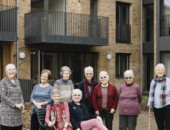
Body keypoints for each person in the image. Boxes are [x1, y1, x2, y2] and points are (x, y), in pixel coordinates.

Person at [0, 64, 24, 130]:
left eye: (13, 69)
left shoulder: (17, 81)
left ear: (15, 71)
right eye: (9, 70)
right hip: (7, 113)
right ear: (6, 72)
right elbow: (3, 96)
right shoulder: (3, 82)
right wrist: (15, 104)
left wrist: (22, 103)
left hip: (17, 113)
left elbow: (20, 93)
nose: (11, 71)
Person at [147, 63, 170, 130]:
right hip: (156, 107)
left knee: (168, 126)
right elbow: (151, 93)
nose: (160, 71)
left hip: (166, 106)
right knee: (160, 126)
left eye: (161, 70)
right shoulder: (153, 81)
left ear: (164, 71)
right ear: (155, 72)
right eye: (158, 70)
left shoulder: (168, 81)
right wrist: (149, 102)